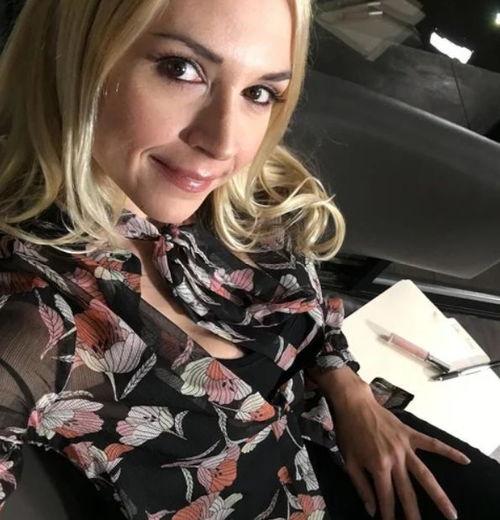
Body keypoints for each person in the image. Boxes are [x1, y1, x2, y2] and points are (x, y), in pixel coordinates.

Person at [0, 1, 499, 519]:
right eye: (181, 69)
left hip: (341, 434)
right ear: (74, 57)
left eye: (259, 93)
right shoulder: (28, 312)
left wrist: (350, 392)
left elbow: (307, 311)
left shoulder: (242, 194)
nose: (224, 145)